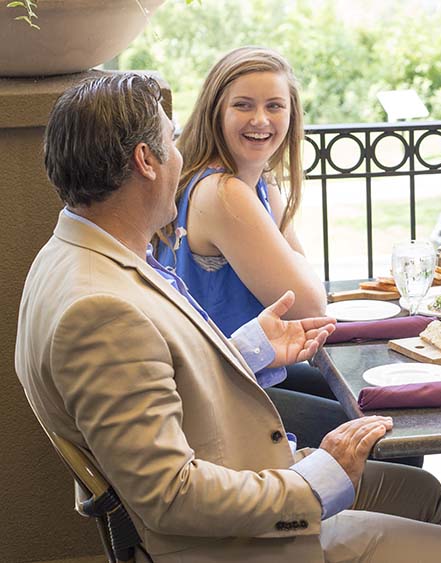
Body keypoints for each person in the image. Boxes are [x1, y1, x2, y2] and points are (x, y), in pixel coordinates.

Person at [15, 73, 441, 563]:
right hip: (231, 543)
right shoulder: (100, 312)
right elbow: (171, 496)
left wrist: (250, 348)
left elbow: (159, 370)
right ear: (145, 161)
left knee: (418, 491)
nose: (181, 156)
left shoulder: (73, 254)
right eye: (172, 139)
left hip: (240, 473)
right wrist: (319, 480)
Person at [153, 46, 367, 453]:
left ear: (291, 115)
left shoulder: (256, 182)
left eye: (274, 106)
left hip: (244, 371)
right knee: (380, 428)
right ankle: (322, 513)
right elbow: (310, 304)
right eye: (243, 106)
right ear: (216, 111)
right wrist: (301, 275)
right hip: (218, 396)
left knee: (369, 398)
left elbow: (303, 280)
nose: (260, 120)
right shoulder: (222, 192)